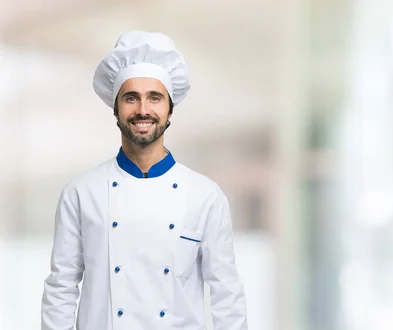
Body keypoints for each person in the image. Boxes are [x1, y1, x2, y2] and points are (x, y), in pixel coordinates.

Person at [41, 30, 248, 330]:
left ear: (169, 108)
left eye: (154, 97)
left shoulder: (205, 196)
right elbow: (61, 288)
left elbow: (227, 295)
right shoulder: (81, 192)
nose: (142, 110)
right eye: (131, 98)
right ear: (115, 109)